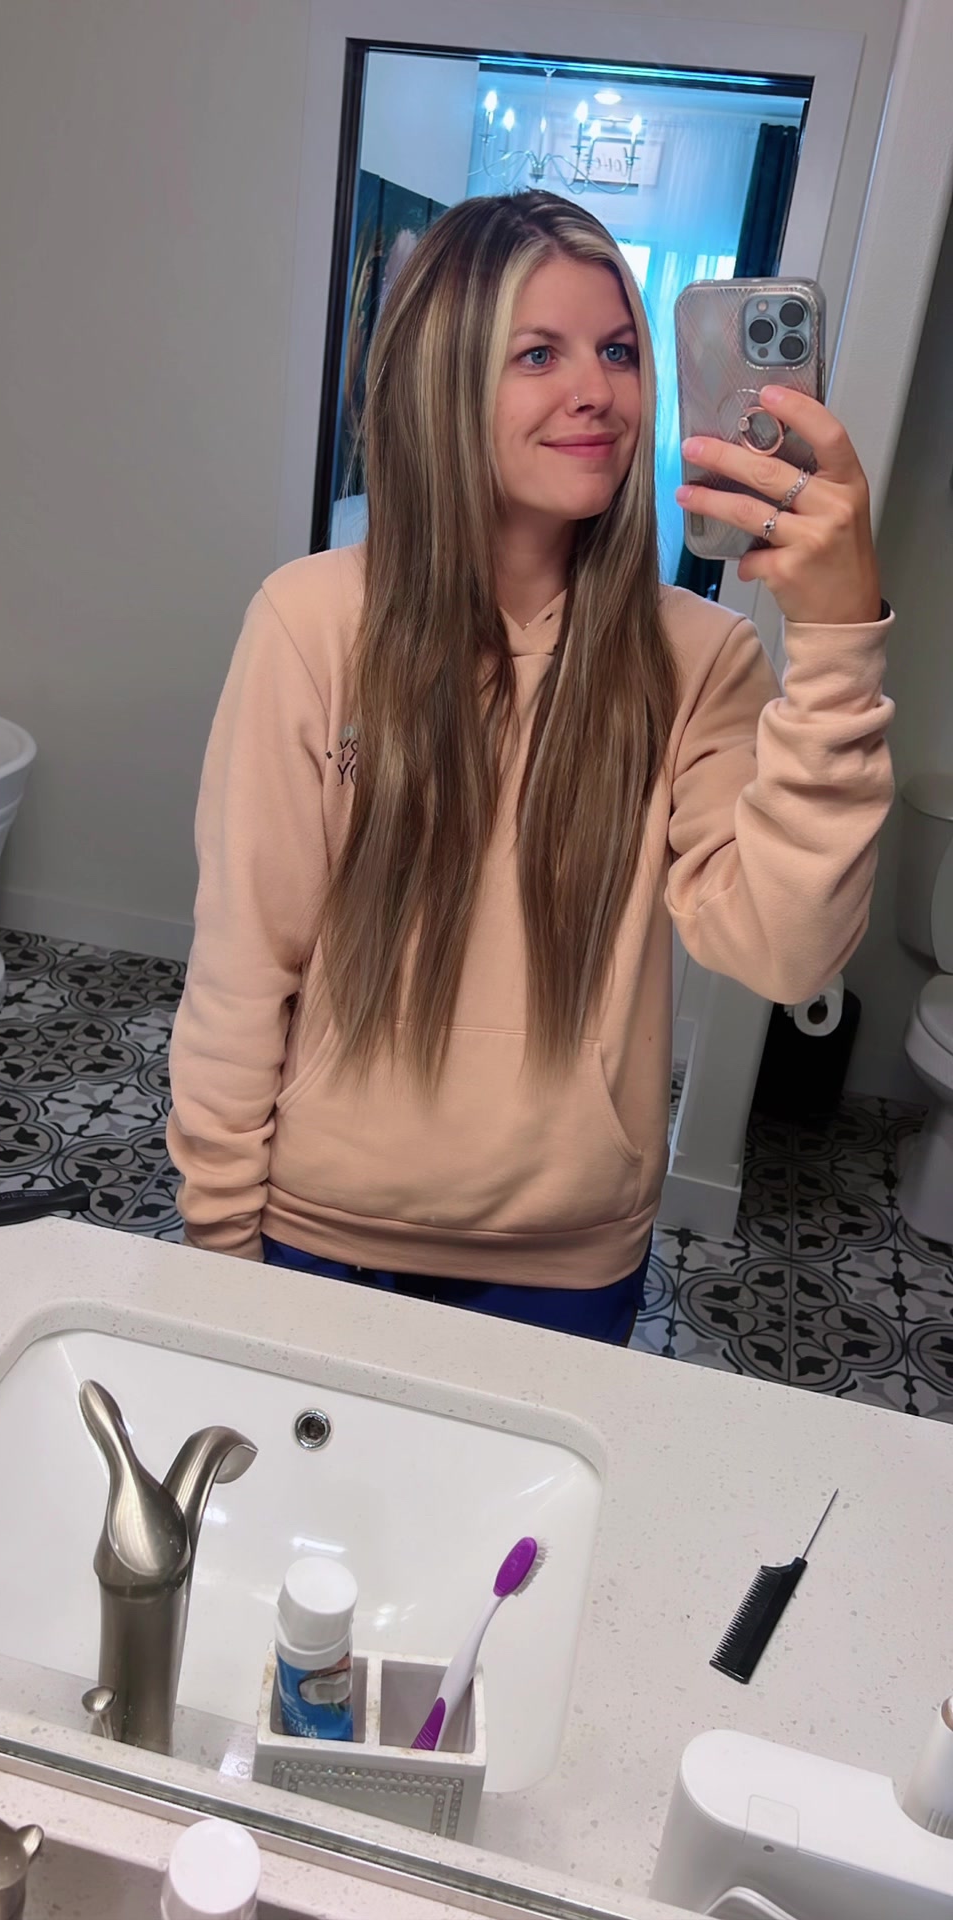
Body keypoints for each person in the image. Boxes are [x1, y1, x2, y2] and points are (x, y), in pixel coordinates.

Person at [167, 190, 894, 1347]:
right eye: (538, 353)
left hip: (569, 1258)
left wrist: (839, 647)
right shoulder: (311, 623)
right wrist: (219, 1239)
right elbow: (245, 960)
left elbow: (784, 950)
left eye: (618, 350)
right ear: (444, 381)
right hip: (318, 1228)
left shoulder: (701, 658)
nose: (596, 390)